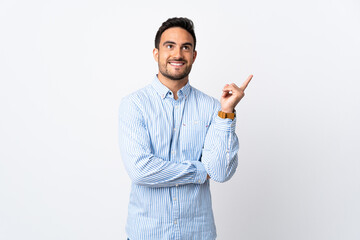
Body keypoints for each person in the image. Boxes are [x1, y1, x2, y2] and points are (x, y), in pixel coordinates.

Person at [118, 17, 253, 240]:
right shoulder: (134, 105)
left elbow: (219, 172)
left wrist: (227, 112)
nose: (178, 54)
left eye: (185, 47)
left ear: (194, 56)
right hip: (147, 234)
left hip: (197, 234)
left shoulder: (213, 108)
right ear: (156, 53)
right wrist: (199, 171)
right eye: (169, 46)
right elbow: (140, 170)